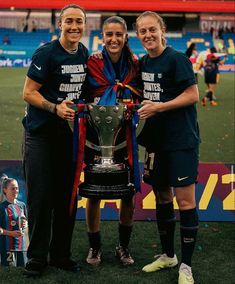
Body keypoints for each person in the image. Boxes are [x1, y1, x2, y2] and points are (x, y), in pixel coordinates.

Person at [22, 4, 88, 277]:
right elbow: (28, 93)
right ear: (59, 24)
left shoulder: (83, 53)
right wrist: (55, 107)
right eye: (69, 21)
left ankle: (60, 254)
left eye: (79, 22)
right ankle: (37, 257)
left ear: (85, 25)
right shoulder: (46, 53)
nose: (74, 26)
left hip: (67, 137)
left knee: (66, 198)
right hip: (40, 135)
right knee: (40, 198)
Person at [135, 11, 200, 284]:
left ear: (162, 30)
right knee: (162, 197)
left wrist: (159, 107)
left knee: (185, 201)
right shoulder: (142, 63)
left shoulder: (177, 59)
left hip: (181, 141)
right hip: (155, 143)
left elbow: (192, 94)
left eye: (152, 29)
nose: (148, 35)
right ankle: (168, 255)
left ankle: (186, 265)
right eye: (142, 31)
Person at [83, 16, 142, 266]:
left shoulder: (135, 66)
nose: (114, 39)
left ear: (125, 37)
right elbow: (82, 94)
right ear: (102, 36)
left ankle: (124, 247)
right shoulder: (92, 63)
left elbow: (143, 95)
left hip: (124, 136)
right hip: (95, 136)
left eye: (119, 34)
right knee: (94, 193)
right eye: (109, 34)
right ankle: (95, 248)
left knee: (127, 193)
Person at [0, 175, 28, 267]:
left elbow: (27, 223)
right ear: (5, 190)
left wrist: (25, 223)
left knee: (22, 272)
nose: (16, 191)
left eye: (17, 188)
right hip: (7, 247)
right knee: (11, 273)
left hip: (22, 247)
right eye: (12, 189)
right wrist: (11, 233)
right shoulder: (2, 207)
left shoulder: (22, 205)